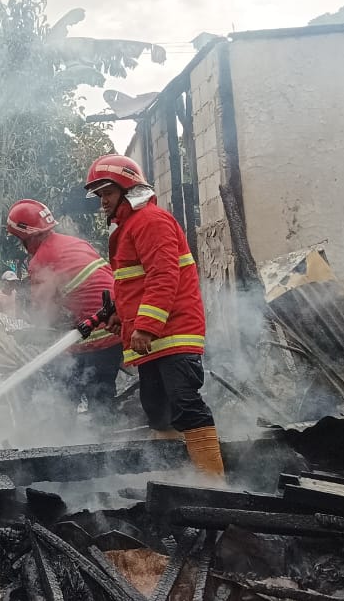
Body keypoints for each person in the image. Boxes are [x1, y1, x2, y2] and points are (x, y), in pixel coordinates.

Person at [84, 153, 225, 479]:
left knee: (185, 405)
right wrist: (121, 314)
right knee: (157, 412)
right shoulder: (130, 226)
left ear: (126, 188)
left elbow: (164, 276)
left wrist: (145, 326)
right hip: (153, 339)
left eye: (107, 193)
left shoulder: (150, 221)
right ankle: (176, 477)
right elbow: (134, 282)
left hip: (173, 334)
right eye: (99, 195)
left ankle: (215, 483)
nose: (102, 201)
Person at [5, 198, 123, 424]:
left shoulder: (42, 260)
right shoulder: (73, 243)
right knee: (102, 401)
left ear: (26, 236)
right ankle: (107, 447)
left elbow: (45, 313)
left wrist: (32, 333)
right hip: (114, 327)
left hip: (92, 337)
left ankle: (69, 449)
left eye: (19, 239)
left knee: (66, 398)